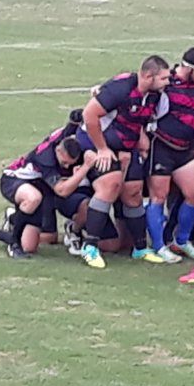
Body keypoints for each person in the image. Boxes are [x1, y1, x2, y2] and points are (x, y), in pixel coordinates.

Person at [78, 55, 172, 269]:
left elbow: (135, 119)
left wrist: (141, 142)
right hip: (96, 143)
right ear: (148, 76)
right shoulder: (120, 88)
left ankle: (140, 248)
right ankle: (89, 246)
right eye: (164, 78)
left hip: (126, 147)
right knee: (110, 184)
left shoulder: (153, 95)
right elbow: (89, 115)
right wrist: (102, 148)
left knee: (133, 191)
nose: (168, 83)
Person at [0, 135, 95, 258]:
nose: (66, 166)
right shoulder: (45, 159)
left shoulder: (62, 141)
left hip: (38, 188)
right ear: (58, 151)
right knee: (33, 197)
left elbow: (70, 126)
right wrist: (85, 167)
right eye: (64, 162)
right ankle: (14, 244)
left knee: (29, 247)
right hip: (14, 180)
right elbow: (62, 191)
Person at [147, 48, 194, 264]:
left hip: (184, 148)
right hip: (162, 146)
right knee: (159, 196)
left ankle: (182, 240)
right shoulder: (167, 82)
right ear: (188, 68)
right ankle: (158, 246)